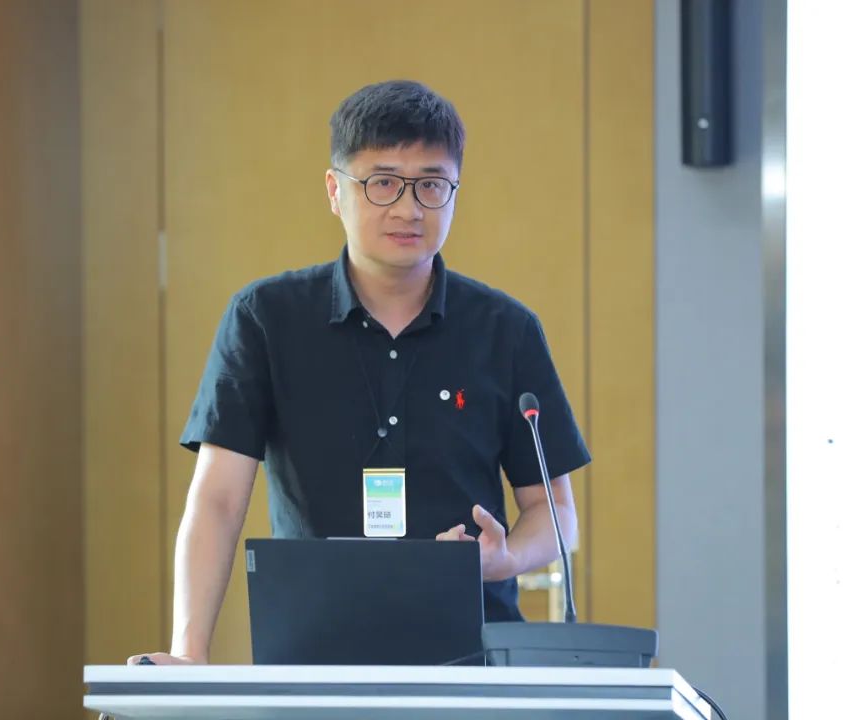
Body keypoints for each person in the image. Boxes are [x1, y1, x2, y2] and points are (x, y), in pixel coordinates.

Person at [128, 80, 590, 666]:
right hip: (311, 661)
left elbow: (556, 514)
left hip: (473, 663)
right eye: (382, 182)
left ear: (454, 191)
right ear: (334, 190)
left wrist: (506, 559)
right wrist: (189, 657)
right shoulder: (266, 319)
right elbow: (217, 502)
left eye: (431, 185)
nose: (408, 208)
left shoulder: (506, 329)